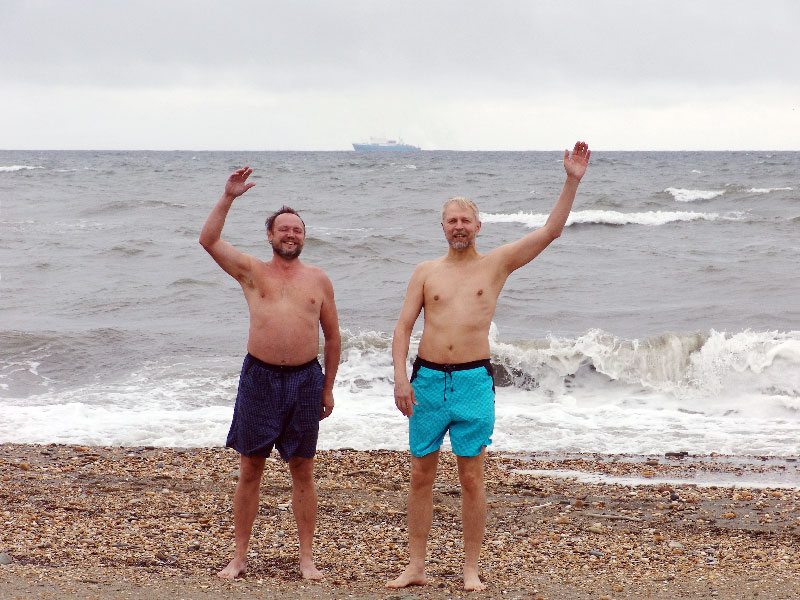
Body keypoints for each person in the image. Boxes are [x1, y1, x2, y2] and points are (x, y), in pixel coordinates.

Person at [387, 142, 591, 591]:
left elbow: (550, 231)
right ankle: (415, 566)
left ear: (478, 227)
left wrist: (571, 180)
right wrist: (401, 378)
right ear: (442, 227)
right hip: (426, 382)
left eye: (466, 221)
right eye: (451, 220)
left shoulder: (496, 264)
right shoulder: (425, 272)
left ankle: (470, 569)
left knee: (472, 477)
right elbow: (402, 328)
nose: (459, 227)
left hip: (474, 381)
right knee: (421, 474)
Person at [199, 166, 341, 581]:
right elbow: (207, 241)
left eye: (297, 229)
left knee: (302, 468)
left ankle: (306, 558)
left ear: (303, 236)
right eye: (284, 229)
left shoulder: (319, 280)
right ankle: (239, 556)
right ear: (270, 235)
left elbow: (332, 338)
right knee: (250, 468)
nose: (291, 234)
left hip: (305, 379)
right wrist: (228, 196)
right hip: (259, 378)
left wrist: (327, 388)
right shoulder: (251, 271)